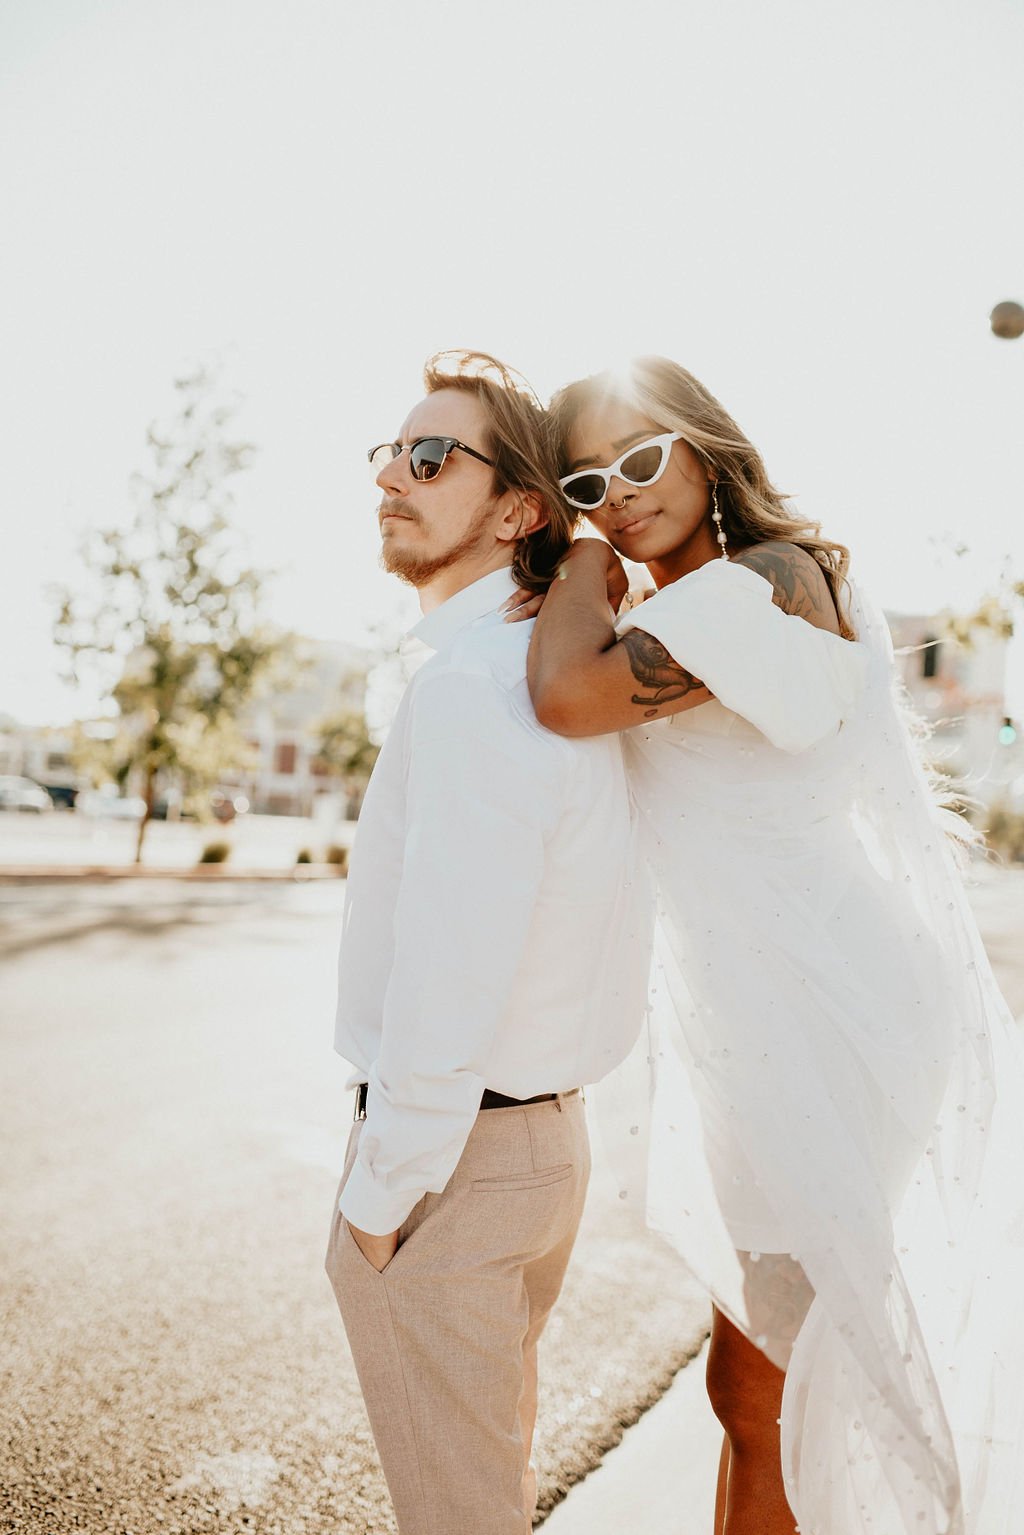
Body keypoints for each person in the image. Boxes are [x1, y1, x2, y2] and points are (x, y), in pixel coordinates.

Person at [506, 356, 1024, 1535]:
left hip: (832, 1002)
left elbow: (568, 696)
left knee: (766, 1372)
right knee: (758, 1375)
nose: (619, 494)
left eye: (641, 460)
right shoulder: (701, 600)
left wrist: (581, 554)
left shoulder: (760, 581)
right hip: (771, 1004)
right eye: (587, 482)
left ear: (703, 445)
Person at [324, 351, 651, 1535]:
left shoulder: (476, 684)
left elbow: (454, 966)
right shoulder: (540, 668)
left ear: (519, 508)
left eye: (429, 458)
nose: (391, 480)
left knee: (456, 1512)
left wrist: (384, 1185)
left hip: (458, 1163)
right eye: (388, 456)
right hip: (532, 1145)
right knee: (487, 1487)